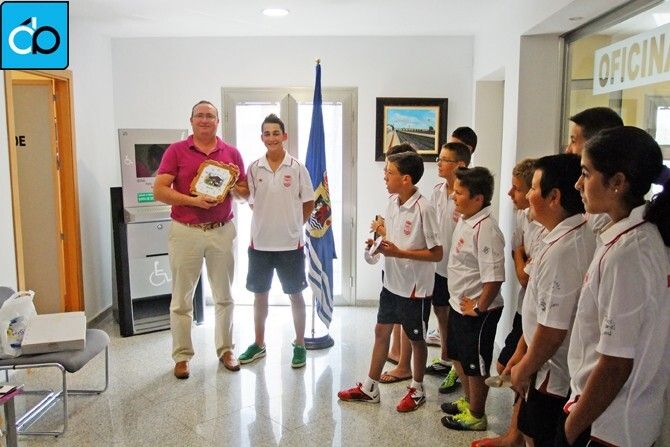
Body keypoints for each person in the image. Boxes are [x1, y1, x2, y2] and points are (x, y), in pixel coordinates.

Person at [559, 126, 670, 447]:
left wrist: (569, 431)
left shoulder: (628, 253)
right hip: (607, 414)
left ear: (618, 182)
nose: (577, 184)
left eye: (586, 174)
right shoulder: (629, 234)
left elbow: (615, 364)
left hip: (610, 423)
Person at [338, 151, 442, 412]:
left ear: (406, 179)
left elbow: (437, 253)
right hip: (392, 284)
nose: (384, 177)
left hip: (415, 289)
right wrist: (378, 245)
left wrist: (398, 252)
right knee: (380, 331)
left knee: (416, 339)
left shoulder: (424, 209)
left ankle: (417, 388)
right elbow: (394, 240)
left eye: (389, 173)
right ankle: (370, 388)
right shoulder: (392, 202)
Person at [154, 100, 249, 379]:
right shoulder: (176, 150)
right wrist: (193, 200)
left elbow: (244, 192)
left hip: (222, 230)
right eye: (200, 115)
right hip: (185, 232)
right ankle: (182, 356)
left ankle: (226, 350)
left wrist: (232, 188)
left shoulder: (231, 153)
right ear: (191, 120)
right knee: (181, 299)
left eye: (210, 116)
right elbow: (159, 190)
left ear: (218, 121)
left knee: (224, 296)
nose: (205, 120)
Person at [508, 154, 596, 447]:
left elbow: (553, 330)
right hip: (541, 362)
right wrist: (521, 350)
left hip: (552, 372)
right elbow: (539, 309)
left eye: (533, 188)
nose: (528, 195)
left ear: (554, 197)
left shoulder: (565, 251)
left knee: (539, 436)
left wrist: (524, 367)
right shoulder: (560, 236)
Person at [472, 158, 541, 447]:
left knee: (516, 371)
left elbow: (523, 276)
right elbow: (517, 254)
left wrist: (520, 255)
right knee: (507, 368)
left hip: (539, 314)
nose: (510, 193)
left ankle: (517, 436)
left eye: (518, 188)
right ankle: (515, 434)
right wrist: (521, 254)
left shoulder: (547, 228)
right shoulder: (523, 217)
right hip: (525, 309)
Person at [237, 114, 315, 369]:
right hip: (260, 244)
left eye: (275, 133)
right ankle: (259, 343)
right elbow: (252, 202)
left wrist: (294, 225)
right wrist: (268, 219)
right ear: (262, 137)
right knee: (260, 295)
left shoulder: (297, 167)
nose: (271, 138)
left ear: (284, 136)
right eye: (267, 134)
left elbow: (309, 202)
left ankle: (300, 343)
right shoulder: (254, 167)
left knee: (295, 295)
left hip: (290, 245)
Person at [440, 167, 505, 431]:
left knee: (475, 364)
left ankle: (477, 415)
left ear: (478, 199)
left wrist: (479, 308)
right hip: (459, 304)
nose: (453, 196)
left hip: (478, 312)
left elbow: (494, 278)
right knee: (457, 356)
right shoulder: (467, 218)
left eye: (459, 193)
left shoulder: (487, 229)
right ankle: (468, 402)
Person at [424, 142, 471, 396]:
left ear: (460, 165)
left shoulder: (468, 194)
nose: (439, 163)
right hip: (439, 265)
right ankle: (445, 356)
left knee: (457, 318)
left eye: (444, 160)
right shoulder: (437, 191)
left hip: (460, 270)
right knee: (440, 309)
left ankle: (457, 365)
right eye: (439, 159)